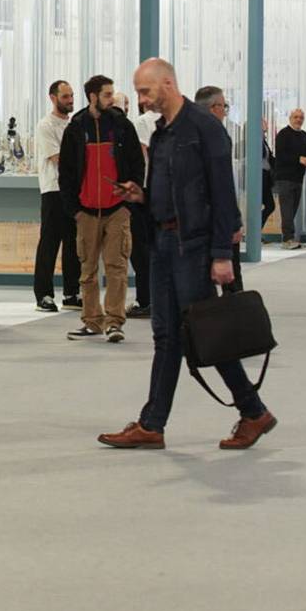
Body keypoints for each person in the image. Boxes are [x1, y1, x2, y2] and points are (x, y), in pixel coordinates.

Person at [99, 59, 276, 450]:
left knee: (203, 332)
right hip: (163, 243)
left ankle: (252, 411)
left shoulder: (204, 129)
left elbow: (222, 194)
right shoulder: (162, 133)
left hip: (193, 247)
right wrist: (141, 196)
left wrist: (222, 254)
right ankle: (154, 424)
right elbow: (167, 189)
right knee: (167, 335)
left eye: (145, 91)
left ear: (167, 83)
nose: (141, 100)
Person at [59, 74, 144, 344]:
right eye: (107, 95)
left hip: (117, 208)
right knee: (87, 270)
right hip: (85, 210)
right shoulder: (76, 127)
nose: (112, 99)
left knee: (117, 266)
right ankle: (92, 321)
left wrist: (130, 199)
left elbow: (136, 163)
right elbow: (67, 171)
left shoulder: (121, 126)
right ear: (93, 96)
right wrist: (74, 209)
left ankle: (114, 322)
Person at [32, 80, 81, 312]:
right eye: (65, 96)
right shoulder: (45, 126)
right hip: (53, 190)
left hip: (73, 193)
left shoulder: (73, 126)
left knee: (73, 244)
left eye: (71, 96)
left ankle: (72, 293)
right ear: (52, 98)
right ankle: (43, 294)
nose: (70, 100)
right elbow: (57, 159)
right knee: (50, 243)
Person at [194, 85, 244, 292]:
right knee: (230, 277)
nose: (225, 111)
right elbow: (223, 186)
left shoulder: (186, 132)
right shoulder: (217, 135)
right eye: (224, 106)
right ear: (214, 107)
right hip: (216, 219)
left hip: (195, 222)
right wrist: (234, 222)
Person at [126, 98, 160, 318]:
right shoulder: (169, 121)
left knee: (141, 249)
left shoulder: (142, 122)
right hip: (161, 191)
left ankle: (145, 299)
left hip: (145, 191)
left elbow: (143, 152)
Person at [274, 107, 306, 250]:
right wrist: (299, 159)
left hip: (298, 178)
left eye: (301, 118)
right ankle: (288, 239)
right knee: (287, 210)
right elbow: (281, 156)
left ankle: (290, 237)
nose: (298, 120)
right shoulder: (283, 134)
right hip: (284, 178)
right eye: (296, 117)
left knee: (293, 209)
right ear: (290, 118)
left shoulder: (304, 135)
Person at [261, 118, 276, 229]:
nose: (266, 124)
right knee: (266, 205)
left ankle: (255, 231)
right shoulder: (253, 140)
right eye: (264, 123)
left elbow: (270, 159)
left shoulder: (263, 141)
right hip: (258, 177)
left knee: (270, 206)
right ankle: (254, 233)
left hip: (265, 177)